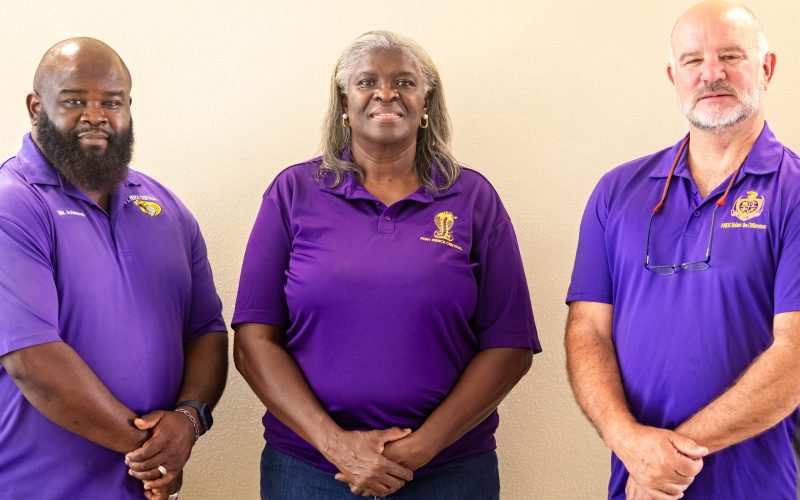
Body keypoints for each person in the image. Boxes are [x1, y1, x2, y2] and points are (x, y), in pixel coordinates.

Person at [233, 30, 539, 499]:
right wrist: (337, 446)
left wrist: (420, 448)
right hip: (310, 469)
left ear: (427, 102)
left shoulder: (473, 198)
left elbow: (509, 344)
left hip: (450, 471)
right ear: (344, 101)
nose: (386, 93)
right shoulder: (292, 193)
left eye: (404, 82)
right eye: (367, 81)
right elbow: (254, 340)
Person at [566, 1, 800, 499]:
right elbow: (588, 331)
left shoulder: (794, 192)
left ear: (766, 68)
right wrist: (628, 443)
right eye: (693, 60)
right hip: (636, 482)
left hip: (756, 486)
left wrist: (667, 460)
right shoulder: (617, 192)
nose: (711, 73)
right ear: (674, 76)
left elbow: (796, 355)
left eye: (730, 56)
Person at [0, 38, 228, 500]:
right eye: (74, 100)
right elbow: (32, 361)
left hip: (139, 488)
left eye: (112, 101)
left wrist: (188, 419)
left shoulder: (165, 207)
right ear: (35, 107)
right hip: (36, 487)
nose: (96, 116)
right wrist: (155, 453)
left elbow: (206, 330)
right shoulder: (13, 204)